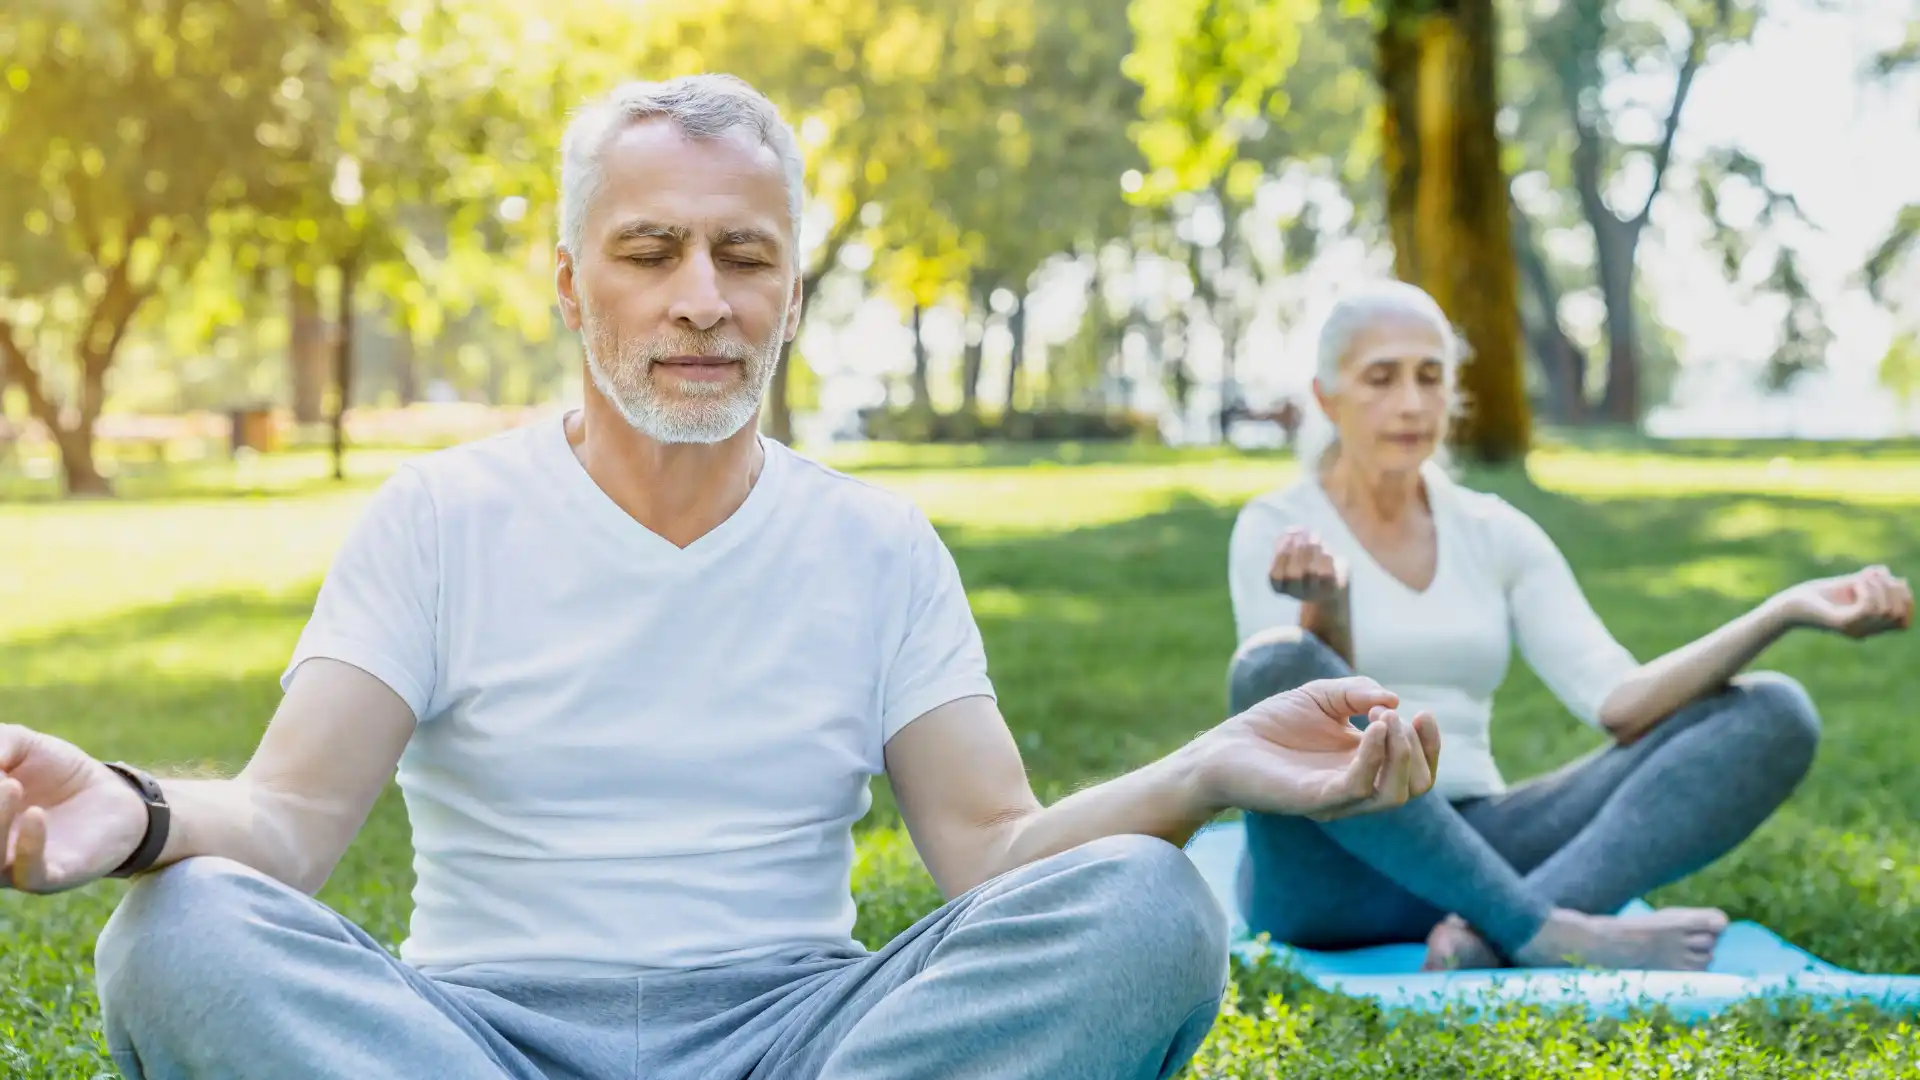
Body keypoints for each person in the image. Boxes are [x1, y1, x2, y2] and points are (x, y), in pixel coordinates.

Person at [0, 76, 1444, 1080]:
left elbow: (996, 857)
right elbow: (292, 820)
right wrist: (132, 812)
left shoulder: (879, 548)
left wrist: (1207, 770)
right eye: (650, 251)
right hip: (474, 1040)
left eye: (744, 256)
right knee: (179, 929)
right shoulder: (439, 517)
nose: (702, 295)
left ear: (793, 294)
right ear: (571, 286)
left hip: (807, 1038)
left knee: (1147, 907)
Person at [1226, 280, 1914, 973]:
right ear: (1326, 397)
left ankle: (1491, 939)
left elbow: (1618, 700)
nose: (1411, 402)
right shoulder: (1276, 525)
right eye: (1381, 378)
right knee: (1272, 663)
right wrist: (1328, 606)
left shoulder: (1495, 532)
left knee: (1774, 711)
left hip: (1476, 851)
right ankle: (1544, 932)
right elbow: (1300, 727)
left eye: (1429, 377)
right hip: (1320, 878)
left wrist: (1785, 610)